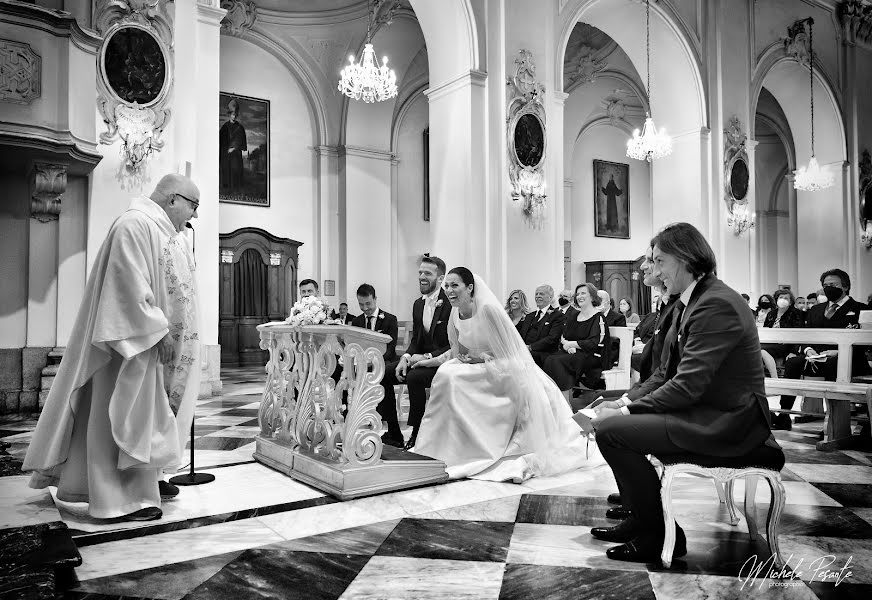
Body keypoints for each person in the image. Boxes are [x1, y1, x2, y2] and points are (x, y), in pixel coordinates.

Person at [591, 222, 777, 563]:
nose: (656, 271)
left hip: (729, 422)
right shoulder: (690, 302)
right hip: (705, 411)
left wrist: (625, 412)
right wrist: (626, 402)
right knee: (611, 428)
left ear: (686, 258)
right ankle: (642, 519)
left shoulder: (716, 303)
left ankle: (661, 536)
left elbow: (688, 385)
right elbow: (665, 373)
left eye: (660, 262)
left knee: (612, 432)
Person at [22, 174, 202, 522]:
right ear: (174, 199)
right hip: (131, 349)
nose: (193, 216)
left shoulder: (168, 233)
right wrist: (157, 332)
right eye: (193, 206)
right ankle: (120, 497)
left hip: (158, 350)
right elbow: (126, 285)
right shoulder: (134, 225)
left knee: (152, 417)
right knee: (122, 418)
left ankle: (147, 475)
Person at [410, 268, 603, 481]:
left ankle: (480, 446)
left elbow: (509, 351)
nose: (449, 290)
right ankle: (448, 445)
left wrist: (481, 357)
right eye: (446, 286)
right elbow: (456, 351)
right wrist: (449, 359)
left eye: (455, 285)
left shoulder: (488, 310)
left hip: (503, 366)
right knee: (447, 373)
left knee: (454, 378)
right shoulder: (455, 314)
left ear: (470, 287)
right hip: (478, 365)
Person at [774, 269, 870, 430]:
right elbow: (806, 335)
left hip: (849, 358)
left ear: (845, 287)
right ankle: (784, 415)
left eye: (832, 284)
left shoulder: (860, 308)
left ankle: (834, 424)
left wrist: (841, 351)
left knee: (835, 365)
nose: (828, 288)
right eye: (825, 285)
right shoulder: (816, 310)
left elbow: (865, 342)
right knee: (792, 364)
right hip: (817, 357)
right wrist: (808, 349)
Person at [391, 256, 453, 450]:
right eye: (420, 273)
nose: (422, 277)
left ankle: (417, 432)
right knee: (383, 373)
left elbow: (453, 344)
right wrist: (405, 357)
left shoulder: (450, 303)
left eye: (428, 273)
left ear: (440, 278)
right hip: (418, 359)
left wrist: (427, 358)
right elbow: (416, 340)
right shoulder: (418, 304)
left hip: (442, 362)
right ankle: (393, 434)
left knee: (415, 377)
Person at [350, 284, 400, 446]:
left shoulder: (390, 319)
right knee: (347, 375)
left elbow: (391, 349)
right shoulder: (357, 321)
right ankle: (353, 421)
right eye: (361, 304)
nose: (365, 308)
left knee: (381, 378)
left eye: (368, 304)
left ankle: (391, 428)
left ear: (375, 299)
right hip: (363, 365)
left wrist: (373, 362)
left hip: (384, 362)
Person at [543, 283, 609, 403]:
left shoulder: (598, 317)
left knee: (557, 361)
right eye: (577, 294)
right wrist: (568, 347)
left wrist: (572, 345)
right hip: (572, 353)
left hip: (592, 356)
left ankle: (565, 403)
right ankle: (560, 402)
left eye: (583, 293)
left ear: (593, 297)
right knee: (549, 359)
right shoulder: (574, 316)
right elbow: (563, 336)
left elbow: (594, 342)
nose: (579, 296)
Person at [516, 285, 566, 367]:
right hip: (524, 351)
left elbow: (552, 338)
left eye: (541, 294)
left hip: (543, 354)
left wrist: (530, 347)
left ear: (550, 297)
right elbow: (518, 333)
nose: (538, 296)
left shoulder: (557, 315)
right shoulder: (529, 316)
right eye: (536, 294)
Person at [760, 289, 806, 378]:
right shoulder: (771, 313)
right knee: (753, 348)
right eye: (781, 297)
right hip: (770, 342)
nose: (783, 299)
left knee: (761, 350)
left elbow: (799, 333)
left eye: (786, 298)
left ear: (790, 302)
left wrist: (794, 351)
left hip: (785, 344)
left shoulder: (795, 313)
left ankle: (774, 378)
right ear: (777, 299)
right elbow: (766, 329)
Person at [219, 98, 247, 196]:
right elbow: (221, 141)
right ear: (229, 115)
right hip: (226, 154)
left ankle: (236, 190)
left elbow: (241, 140)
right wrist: (225, 149)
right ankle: (226, 189)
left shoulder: (240, 127)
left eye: (235, 115)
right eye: (232, 114)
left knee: (235, 170)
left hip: (235, 154)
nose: (233, 116)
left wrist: (234, 148)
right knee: (226, 170)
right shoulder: (224, 127)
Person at [598, 290, 626, 366]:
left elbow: (618, 342)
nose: (597, 303)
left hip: (609, 352)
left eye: (600, 300)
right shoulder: (593, 317)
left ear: (608, 302)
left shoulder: (618, 318)